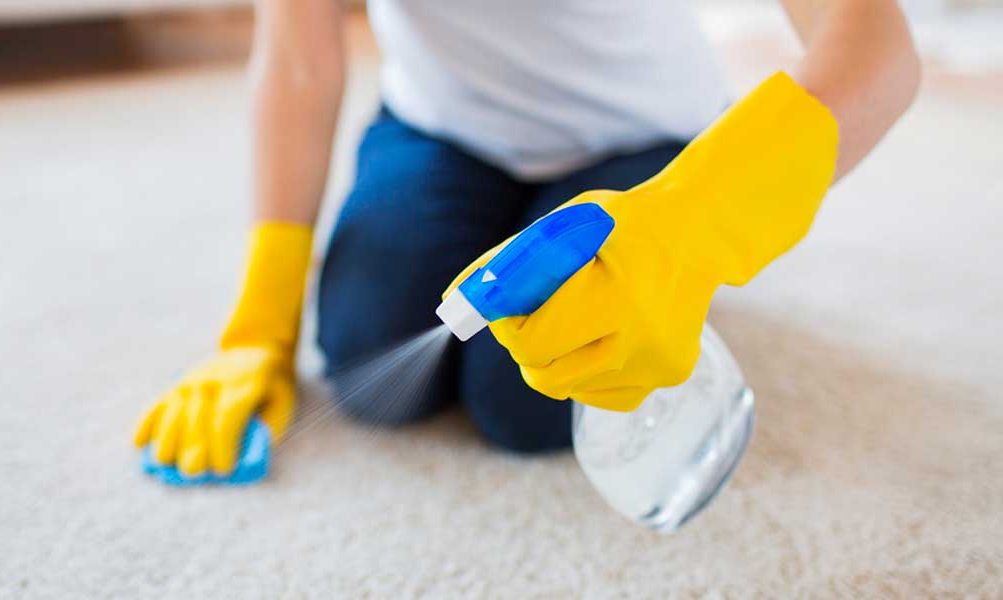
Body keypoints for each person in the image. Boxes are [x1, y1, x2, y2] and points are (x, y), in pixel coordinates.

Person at [134, 0, 920, 479]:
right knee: (371, 365)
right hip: (443, 128)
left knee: (526, 400)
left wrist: (694, 225)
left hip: (642, 144)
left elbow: (876, 48)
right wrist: (259, 325)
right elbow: (298, 61)